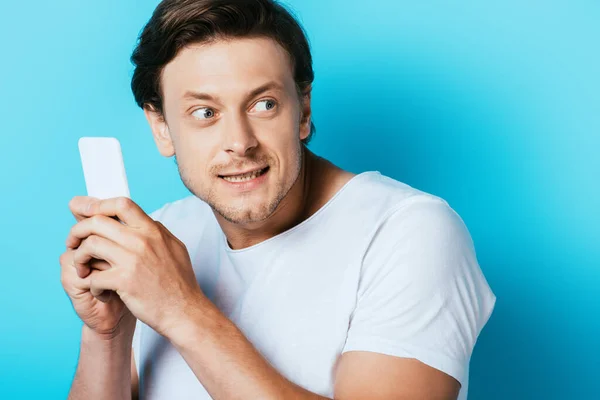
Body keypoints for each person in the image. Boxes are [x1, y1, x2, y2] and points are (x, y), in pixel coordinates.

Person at [60, 0, 496, 399]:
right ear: (161, 128)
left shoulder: (410, 232)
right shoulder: (163, 236)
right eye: (205, 113)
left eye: (263, 104)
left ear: (303, 110)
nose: (239, 142)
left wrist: (181, 309)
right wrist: (109, 334)